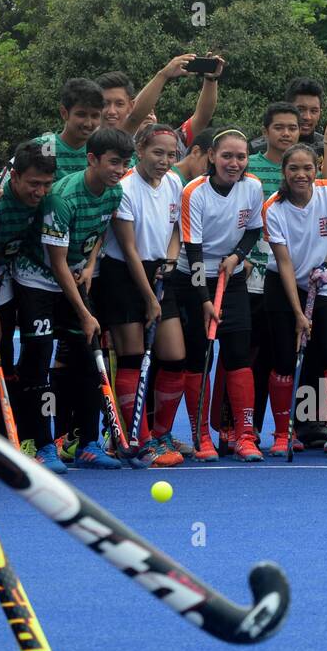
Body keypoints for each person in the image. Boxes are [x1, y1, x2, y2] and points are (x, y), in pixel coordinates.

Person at [13, 126, 136, 472]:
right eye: (113, 162)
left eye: (124, 163)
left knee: (87, 358)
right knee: (38, 361)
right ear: (92, 159)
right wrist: (83, 311)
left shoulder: (114, 193)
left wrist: (91, 261)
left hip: (72, 276)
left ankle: (88, 444)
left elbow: (98, 233)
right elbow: (56, 262)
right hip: (38, 281)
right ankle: (42, 446)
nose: (119, 170)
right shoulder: (61, 198)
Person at [92, 124, 188, 467]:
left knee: (175, 356)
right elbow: (129, 249)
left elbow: (176, 229)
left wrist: (172, 258)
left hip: (161, 272)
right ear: (141, 150)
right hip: (124, 277)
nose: (164, 161)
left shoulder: (174, 182)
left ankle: (162, 434)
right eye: (157, 153)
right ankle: (139, 438)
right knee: (132, 356)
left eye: (171, 154)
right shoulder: (125, 187)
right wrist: (149, 298)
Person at [170, 129, 267, 461]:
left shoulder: (252, 187)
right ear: (211, 156)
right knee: (198, 357)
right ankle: (201, 437)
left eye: (241, 157)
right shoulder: (194, 192)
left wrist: (238, 256)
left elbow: (254, 229)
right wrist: (205, 301)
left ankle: (244, 435)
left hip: (232, 278)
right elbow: (193, 252)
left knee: (239, 354)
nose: (234, 163)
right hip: (192, 279)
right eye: (227, 156)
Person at [261, 144, 327, 457]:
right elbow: (285, 264)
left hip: (326, 283)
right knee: (284, 360)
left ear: (317, 168)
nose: (301, 175)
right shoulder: (273, 208)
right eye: (294, 169)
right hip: (284, 286)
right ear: (284, 172)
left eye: (307, 168)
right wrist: (299, 315)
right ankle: (282, 434)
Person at [0, 141, 57, 441]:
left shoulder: (43, 197)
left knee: (4, 364)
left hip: (4, 279)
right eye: (33, 184)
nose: (40, 192)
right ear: (13, 176)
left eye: (46, 185)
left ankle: (8, 439)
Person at [242, 104, 303, 447]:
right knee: (251, 356)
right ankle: (243, 428)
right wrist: (248, 256)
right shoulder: (249, 170)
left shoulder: (304, 169)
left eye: (292, 128)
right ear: (264, 131)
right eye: (279, 127)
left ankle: (289, 428)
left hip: (288, 277)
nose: (286, 133)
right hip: (251, 276)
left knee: (283, 356)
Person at [117, 53, 225, 160]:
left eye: (152, 113)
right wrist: (163, 74)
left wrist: (211, 80)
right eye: (144, 113)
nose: (149, 116)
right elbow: (135, 115)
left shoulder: (176, 140)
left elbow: (202, 117)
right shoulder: (120, 142)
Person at [38, 78, 105, 178]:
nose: (88, 123)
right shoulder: (45, 146)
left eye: (95, 116)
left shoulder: (102, 151)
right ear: (64, 113)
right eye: (81, 115)